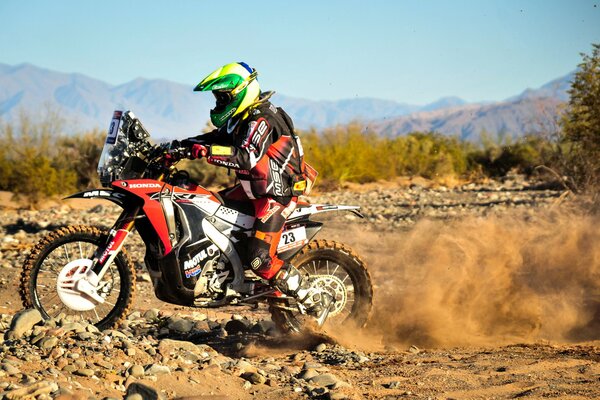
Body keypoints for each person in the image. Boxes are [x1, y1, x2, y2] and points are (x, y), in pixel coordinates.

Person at [173, 62, 332, 324]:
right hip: (253, 190)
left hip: (276, 196)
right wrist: (178, 146)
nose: (218, 103)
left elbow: (246, 156)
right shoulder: (242, 118)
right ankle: (221, 273)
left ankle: (313, 300)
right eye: (217, 98)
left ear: (240, 92)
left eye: (223, 97)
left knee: (260, 260)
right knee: (206, 210)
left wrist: (205, 152)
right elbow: (216, 138)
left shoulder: (263, 118)